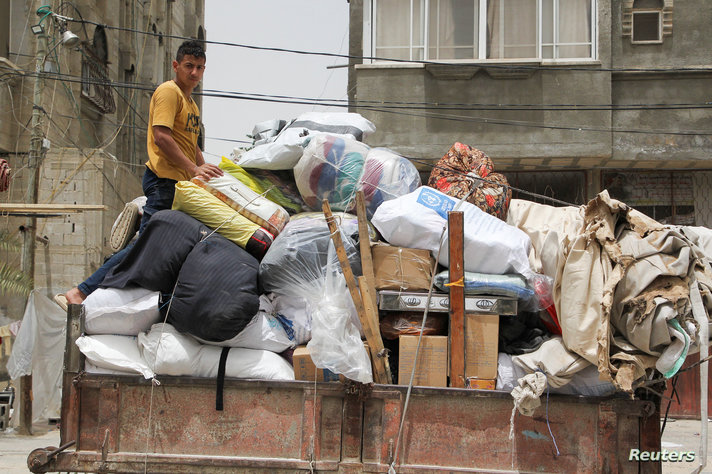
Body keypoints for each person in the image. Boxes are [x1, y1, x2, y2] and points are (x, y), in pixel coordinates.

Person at [60, 40, 222, 306]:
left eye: (200, 68)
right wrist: (194, 169)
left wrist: (208, 176)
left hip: (179, 186)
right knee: (143, 246)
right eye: (189, 66)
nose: (194, 73)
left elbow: (191, 146)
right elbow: (162, 137)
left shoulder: (191, 104)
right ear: (176, 65)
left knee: (161, 246)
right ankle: (81, 292)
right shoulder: (169, 92)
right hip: (163, 182)